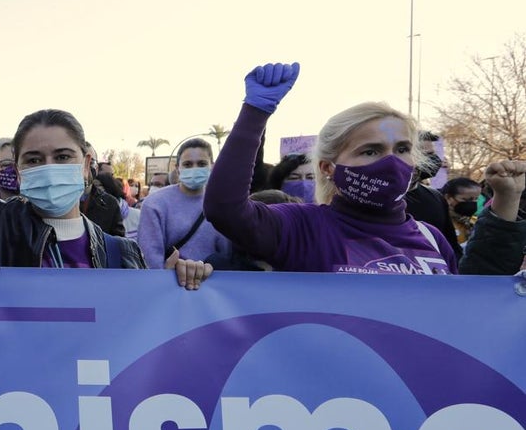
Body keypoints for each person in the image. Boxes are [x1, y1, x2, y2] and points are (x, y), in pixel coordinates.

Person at [0, 0, 211, 288]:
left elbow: (139, 328)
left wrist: (175, 284)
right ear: (17, 170)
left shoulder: (123, 254)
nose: (49, 167)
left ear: (86, 164)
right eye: (33, 159)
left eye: (62, 156)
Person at [205, 62, 464, 274]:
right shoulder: (303, 228)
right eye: (370, 151)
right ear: (329, 167)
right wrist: (255, 113)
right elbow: (226, 210)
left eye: (402, 149)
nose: (391, 162)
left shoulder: (433, 240)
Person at [136, 137, 231, 269]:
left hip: (212, 283)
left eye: (202, 164)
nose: (194, 169)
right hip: (170, 282)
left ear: (212, 166)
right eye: (188, 164)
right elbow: (150, 257)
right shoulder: (154, 204)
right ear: (177, 168)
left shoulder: (223, 204)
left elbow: (228, 254)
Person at [404, 131, 462, 259]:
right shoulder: (376, 198)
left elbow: (451, 247)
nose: (434, 160)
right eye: (424, 155)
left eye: (432, 154)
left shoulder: (436, 197)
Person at [442, 177, 481, 246]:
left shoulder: (475, 222)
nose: (472, 203)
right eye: (466, 200)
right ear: (448, 198)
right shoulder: (441, 222)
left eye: (476, 199)